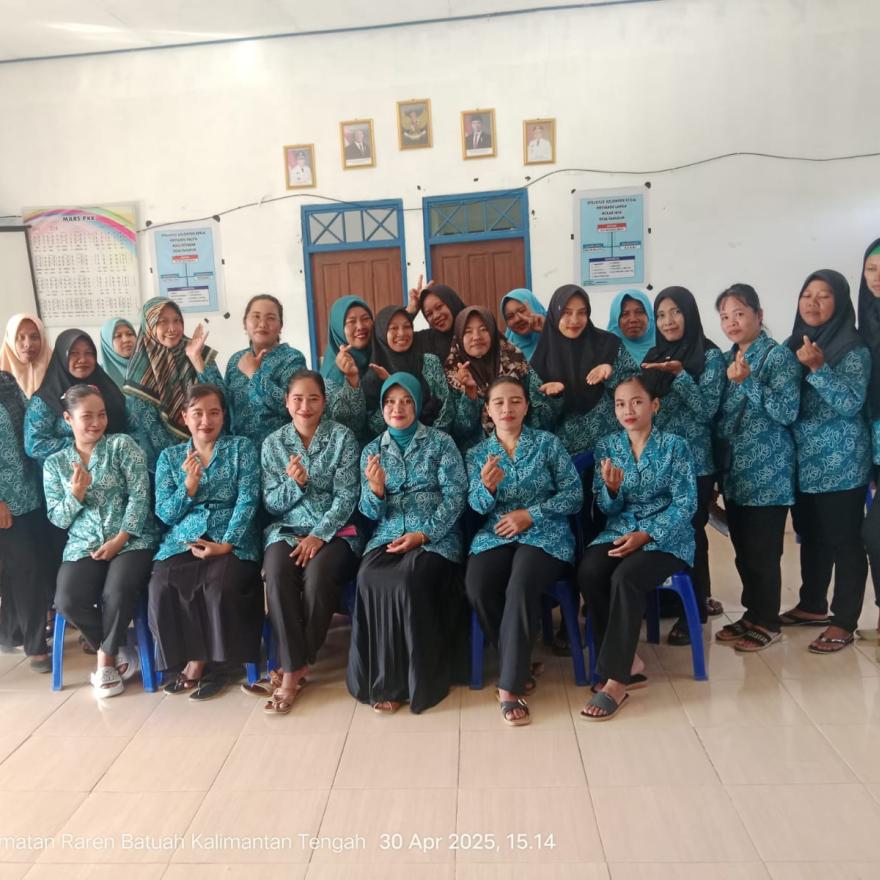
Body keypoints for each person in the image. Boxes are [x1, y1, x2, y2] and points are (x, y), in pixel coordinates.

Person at [578, 374, 697, 720]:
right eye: (620, 404)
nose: (627, 410)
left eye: (636, 402)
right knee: (590, 571)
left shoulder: (675, 446)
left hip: (666, 537)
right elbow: (606, 508)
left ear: (654, 405)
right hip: (619, 529)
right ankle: (627, 658)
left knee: (625, 578)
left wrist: (647, 534)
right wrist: (612, 491)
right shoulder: (608, 446)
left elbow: (686, 504)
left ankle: (616, 681)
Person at [347, 372, 467, 714]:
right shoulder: (372, 450)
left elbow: (456, 496)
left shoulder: (441, 442)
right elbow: (369, 512)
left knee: (408, 578)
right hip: (387, 533)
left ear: (416, 405)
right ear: (381, 407)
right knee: (368, 577)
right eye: (389, 402)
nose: (397, 408)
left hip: (435, 537)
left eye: (405, 401)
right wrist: (376, 490)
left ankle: (419, 681)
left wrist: (424, 534)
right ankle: (385, 681)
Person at [465, 376, 581, 726]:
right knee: (477, 584)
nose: (507, 408)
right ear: (487, 410)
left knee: (521, 582)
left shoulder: (547, 444)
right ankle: (517, 660)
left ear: (527, 406)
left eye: (515, 401)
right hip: (496, 534)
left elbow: (574, 495)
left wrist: (531, 514)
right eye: (498, 402)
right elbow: (474, 506)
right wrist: (486, 489)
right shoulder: (477, 453)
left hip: (545, 534)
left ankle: (510, 687)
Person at [149, 384, 263, 701]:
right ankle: (192, 659)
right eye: (197, 413)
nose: (205, 421)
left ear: (223, 415)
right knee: (163, 584)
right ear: (184, 416)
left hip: (232, 537)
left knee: (219, 585)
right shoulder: (170, 457)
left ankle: (219, 665)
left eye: (214, 413)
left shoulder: (241, 448)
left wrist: (227, 543)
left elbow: (248, 500)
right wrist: (188, 486)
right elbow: (164, 513)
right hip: (184, 539)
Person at [44, 384, 159, 697]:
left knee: (117, 592)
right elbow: (58, 519)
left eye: (102, 414)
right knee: (67, 600)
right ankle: (118, 646)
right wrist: (76, 494)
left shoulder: (122, 446)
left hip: (131, 539)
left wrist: (121, 539)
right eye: (87, 416)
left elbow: (140, 496)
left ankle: (105, 661)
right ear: (68, 419)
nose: (96, 422)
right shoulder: (55, 464)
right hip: (84, 544)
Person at [258, 369, 362, 713]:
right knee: (277, 574)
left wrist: (319, 535)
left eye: (313, 398)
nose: (305, 406)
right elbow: (271, 503)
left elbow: (347, 496)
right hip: (286, 530)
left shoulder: (343, 438)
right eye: (298, 399)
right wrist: (295, 485)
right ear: (287, 403)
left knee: (318, 577)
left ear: (324, 402)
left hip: (334, 532)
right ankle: (297, 665)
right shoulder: (273, 444)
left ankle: (291, 670)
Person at [778, 270, 870, 653]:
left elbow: (850, 403)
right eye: (807, 295)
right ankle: (812, 603)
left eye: (824, 296)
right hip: (803, 462)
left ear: (841, 302)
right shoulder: (791, 344)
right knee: (811, 534)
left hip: (841, 463)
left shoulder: (853, 348)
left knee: (844, 540)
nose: (812, 303)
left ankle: (844, 620)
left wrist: (818, 368)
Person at [714, 284, 800, 652]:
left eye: (739, 313)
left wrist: (748, 382)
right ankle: (752, 613)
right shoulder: (725, 359)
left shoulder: (778, 357)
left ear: (758, 316)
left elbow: (787, 411)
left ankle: (769, 621)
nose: (732, 322)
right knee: (744, 549)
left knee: (764, 552)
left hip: (769, 471)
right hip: (736, 474)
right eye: (725, 316)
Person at [642, 286, 726, 642]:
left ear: (689, 314)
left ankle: (696, 610)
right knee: (666, 532)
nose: (669, 321)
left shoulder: (710, 355)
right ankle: (673, 600)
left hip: (696, 463)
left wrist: (680, 376)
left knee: (691, 532)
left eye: (676, 312)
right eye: (661, 315)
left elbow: (708, 409)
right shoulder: (653, 356)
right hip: (661, 463)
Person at [531, 284, 639, 457]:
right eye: (567, 312)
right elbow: (537, 423)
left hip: (614, 450)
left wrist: (611, 373)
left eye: (582, 312)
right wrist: (554, 399)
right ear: (554, 314)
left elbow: (637, 392)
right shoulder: (540, 362)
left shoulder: (609, 345)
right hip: (567, 459)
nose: (575, 320)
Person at [197, 294, 306, 447]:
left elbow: (294, 406)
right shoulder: (237, 359)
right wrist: (198, 360)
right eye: (256, 316)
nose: (262, 324)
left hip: (279, 448)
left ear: (280, 326)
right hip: (240, 449)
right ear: (245, 323)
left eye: (270, 318)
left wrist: (254, 374)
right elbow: (224, 404)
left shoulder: (292, 358)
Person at [124, 296, 217, 473]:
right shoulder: (139, 368)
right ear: (149, 326)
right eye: (163, 322)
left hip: (210, 450)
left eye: (177, 321)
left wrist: (196, 358)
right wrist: (181, 456)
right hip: (166, 461)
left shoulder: (196, 350)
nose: (172, 328)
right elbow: (147, 426)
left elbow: (221, 397)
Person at [444, 306, 553, 449]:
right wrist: (470, 395)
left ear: (493, 332)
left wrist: (554, 397)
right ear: (459, 336)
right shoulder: (452, 374)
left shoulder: (516, 362)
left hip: (523, 448)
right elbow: (461, 431)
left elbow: (542, 417)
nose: (476, 337)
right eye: (468, 331)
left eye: (484, 329)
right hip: (478, 455)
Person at [0, 371, 51, 671]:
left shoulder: (6, 382)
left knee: (18, 569)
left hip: (30, 490)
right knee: (27, 570)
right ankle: (36, 647)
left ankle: (10, 632)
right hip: (5, 502)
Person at [24, 329, 127, 466]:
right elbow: (34, 446)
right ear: (62, 356)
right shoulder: (46, 399)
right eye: (73, 353)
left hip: (116, 466)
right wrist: (85, 445)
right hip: (68, 472)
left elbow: (130, 426)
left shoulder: (108, 388)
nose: (82, 359)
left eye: (89, 353)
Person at [363, 305, 453, 434]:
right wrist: (391, 384)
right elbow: (374, 426)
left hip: (436, 440)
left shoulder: (429, 362)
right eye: (393, 328)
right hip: (392, 443)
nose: (402, 333)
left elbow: (447, 408)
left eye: (407, 327)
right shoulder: (374, 374)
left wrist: (430, 440)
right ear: (381, 333)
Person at [858, 237, 880, 644]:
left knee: (874, 533)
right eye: (871, 270)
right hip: (876, 443)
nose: (876, 278)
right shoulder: (867, 326)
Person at [320, 295, 375, 443]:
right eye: (351, 322)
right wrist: (352, 380)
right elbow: (344, 423)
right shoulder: (332, 373)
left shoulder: (377, 353)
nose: (360, 326)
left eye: (365, 319)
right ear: (339, 328)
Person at [405, 279, 467, 361]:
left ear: (451, 302)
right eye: (429, 314)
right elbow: (397, 339)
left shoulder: (475, 330)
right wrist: (411, 311)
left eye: (439, 307)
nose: (436, 316)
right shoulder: (427, 341)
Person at [0, 313, 52, 398]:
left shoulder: (58, 368)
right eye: (20, 338)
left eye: (34, 337)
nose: (28, 344)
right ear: (10, 341)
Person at [607, 289, 656, 367]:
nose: (633, 320)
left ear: (649, 315)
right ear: (616, 320)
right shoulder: (606, 352)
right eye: (625, 314)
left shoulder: (666, 346)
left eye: (639, 312)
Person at [500, 288, 546, 362]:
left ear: (534, 306)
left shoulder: (557, 333)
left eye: (522, 311)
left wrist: (547, 331)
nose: (517, 319)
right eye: (510, 316)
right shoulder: (506, 349)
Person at [99, 318, 137, 388]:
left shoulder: (150, 365)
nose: (126, 340)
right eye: (118, 336)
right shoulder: (99, 374)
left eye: (129, 334)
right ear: (107, 343)